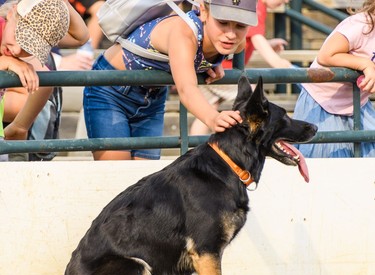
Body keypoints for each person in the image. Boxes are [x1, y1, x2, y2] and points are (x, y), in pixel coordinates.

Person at [83, 0, 258, 161]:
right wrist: (213, 118)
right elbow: (186, 88)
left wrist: (212, 62)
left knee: (145, 182)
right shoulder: (183, 32)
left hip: (153, 98)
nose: (230, 34)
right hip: (110, 92)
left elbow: (202, 54)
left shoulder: (235, 42)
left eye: (241, 26)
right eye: (222, 22)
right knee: (117, 174)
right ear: (203, 12)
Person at [1, 0, 89, 160]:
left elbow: (81, 38)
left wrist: (62, 4)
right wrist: (8, 62)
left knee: (44, 79)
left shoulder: (39, 30)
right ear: (10, 13)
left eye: (28, 47)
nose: (16, 50)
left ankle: (19, 131)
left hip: (11, 128)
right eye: (17, 36)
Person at [190, 0, 292, 135]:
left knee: (210, 109)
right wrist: (277, 61)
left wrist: (269, 44)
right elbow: (256, 38)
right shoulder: (254, 5)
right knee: (254, 95)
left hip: (214, 65)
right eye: (223, 22)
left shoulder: (257, 6)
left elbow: (250, 37)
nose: (286, 1)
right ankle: (262, 137)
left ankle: (193, 146)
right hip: (222, 68)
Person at [293, 0, 375, 158]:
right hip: (323, 102)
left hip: (357, 104)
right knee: (328, 161)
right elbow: (326, 55)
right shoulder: (361, 25)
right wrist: (364, 64)